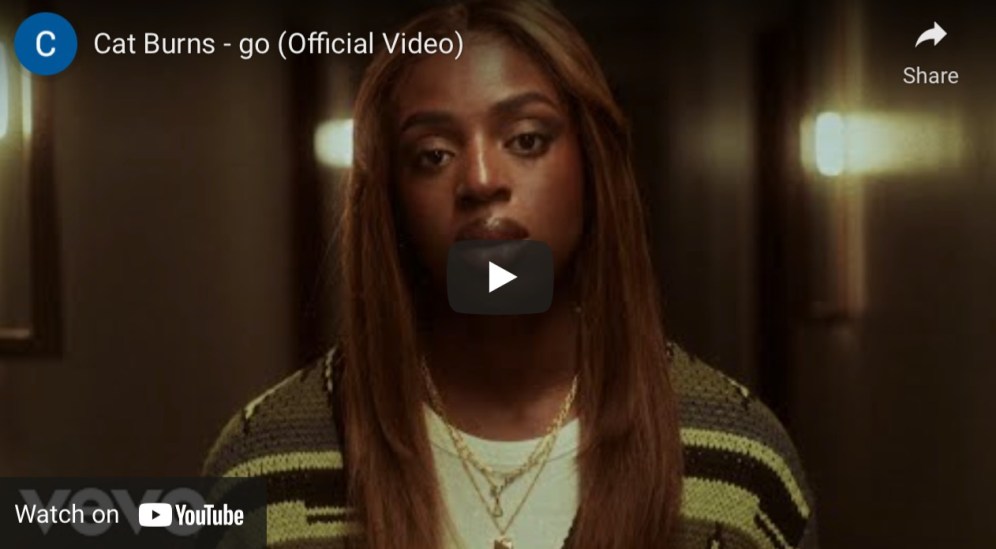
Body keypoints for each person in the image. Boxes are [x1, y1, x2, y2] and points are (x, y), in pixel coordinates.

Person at [203, 1, 817, 548]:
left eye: (525, 140)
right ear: (392, 200)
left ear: (592, 169)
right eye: (433, 154)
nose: (480, 179)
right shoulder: (262, 467)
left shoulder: (740, 463)